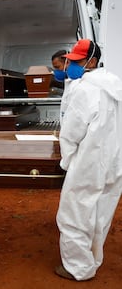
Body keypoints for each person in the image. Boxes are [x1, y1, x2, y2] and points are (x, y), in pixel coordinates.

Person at [55, 39, 122, 281]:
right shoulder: (115, 86)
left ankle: (78, 268)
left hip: (88, 163)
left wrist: (67, 161)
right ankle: (93, 259)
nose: (70, 65)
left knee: (74, 215)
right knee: (100, 213)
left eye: (76, 61)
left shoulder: (85, 89)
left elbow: (72, 132)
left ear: (91, 61)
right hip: (114, 163)